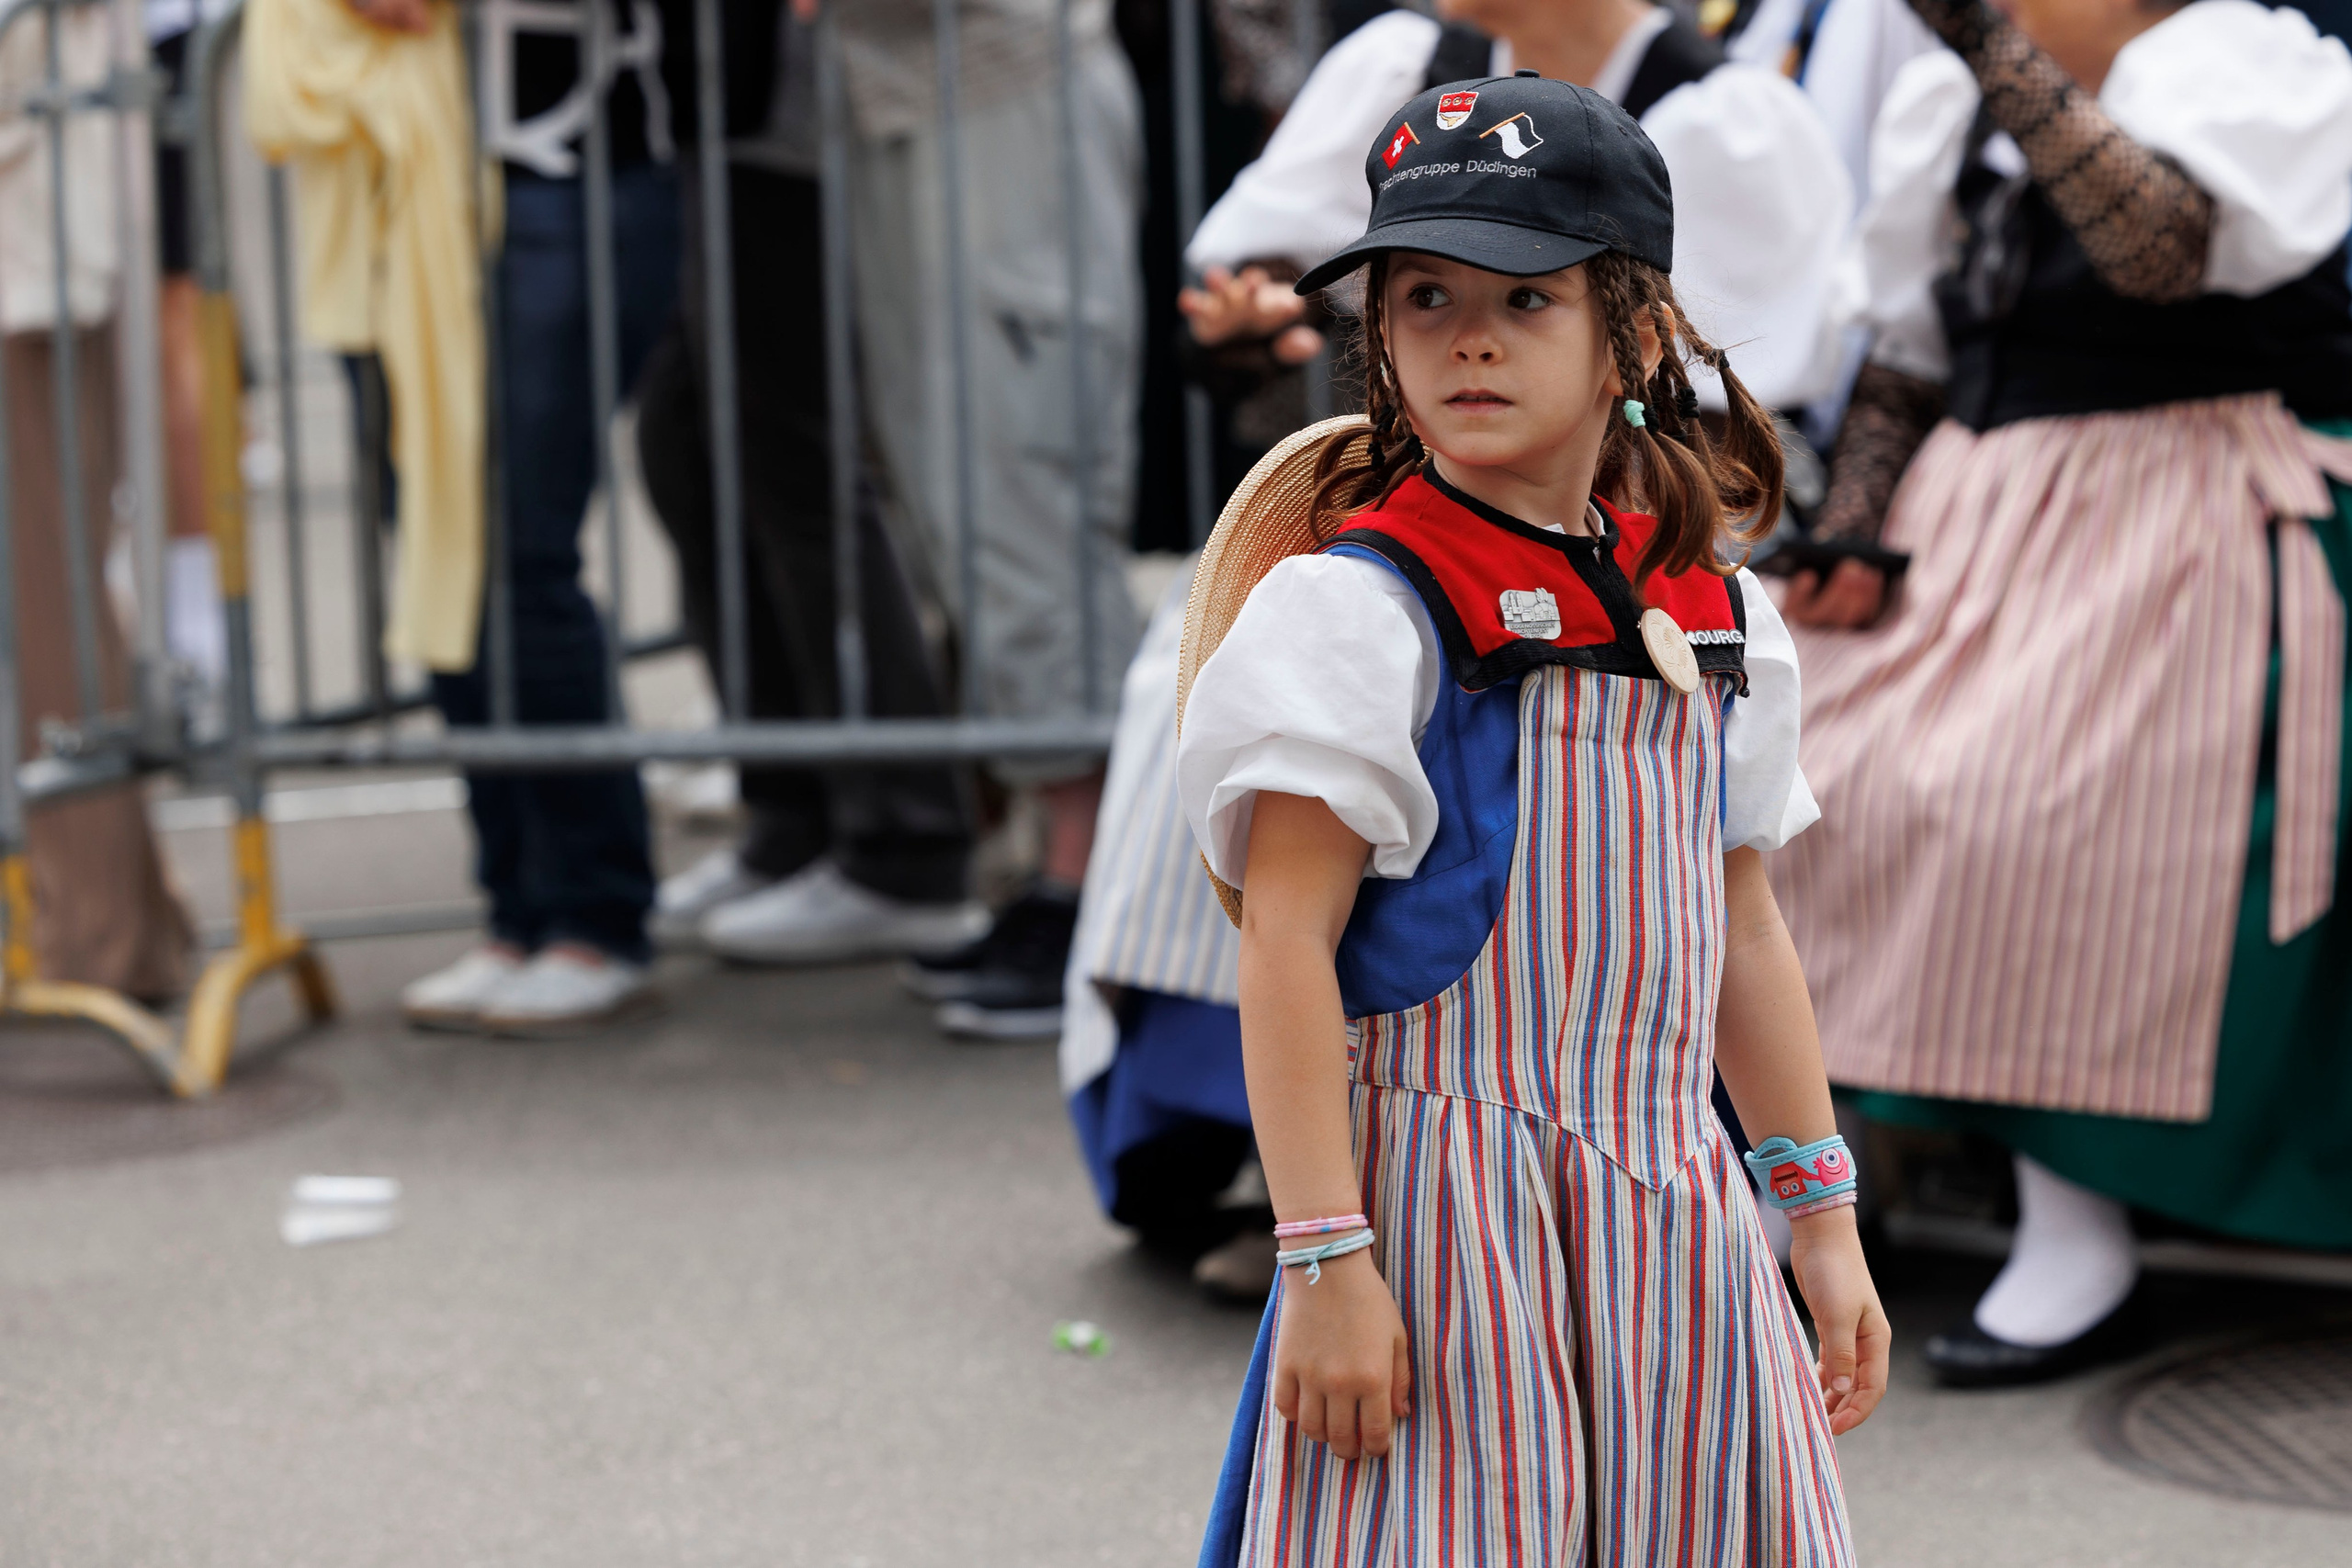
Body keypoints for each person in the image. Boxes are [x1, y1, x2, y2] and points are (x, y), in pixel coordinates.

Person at [1180, 75, 1884, 1559]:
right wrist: (1324, 1259)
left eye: (1525, 296)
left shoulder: (1717, 607)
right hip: (1442, 1218)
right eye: (1422, 295)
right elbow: (1288, 944)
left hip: (1671, 1207)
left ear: (1632, 331)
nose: (1468, 337)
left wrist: (1817, 1210)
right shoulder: (1361, 612)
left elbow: (1739, 923)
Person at [1773, 0, 2352, 1384]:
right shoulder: (1951, 106)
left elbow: (2163, 248)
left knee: (2027, 799)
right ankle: (1822, 1179)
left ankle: (2076, 1219)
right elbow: (1909, 354)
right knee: (1801, 768)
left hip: (2199, 494)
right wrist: (1851, 526)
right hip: (1991, 503)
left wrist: (1992, 50)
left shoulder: (2249, 58)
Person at [331, 0, 680, 1034]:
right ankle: (518, 904)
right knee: (441, 551)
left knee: (514, 550)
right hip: (411, 177)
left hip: (570, 167)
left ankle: (592, 910)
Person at [806, 0, 1146, 1039]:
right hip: (930, 93)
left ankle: (1099, 891)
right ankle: (1068, 870)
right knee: (965, 492)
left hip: (1009, 95)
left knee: (1022, 483)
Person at [635, 2, 984, 963]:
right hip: (738, 107)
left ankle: (905, 841)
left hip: (802, 113)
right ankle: (799, 813)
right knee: (694, 443)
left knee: (792, 462)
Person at [1181, 0, 1855, 425]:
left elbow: (1736, 400)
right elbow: (1297, 252)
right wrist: (1260, 314)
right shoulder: (1407, 68)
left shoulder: (1728, 125)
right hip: (1412, 522)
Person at [0, 2, 194, 1001]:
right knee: (48, 593)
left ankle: (102, 940)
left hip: (37, 217)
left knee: (48, 590)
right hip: (44, 199)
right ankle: (106, 925)